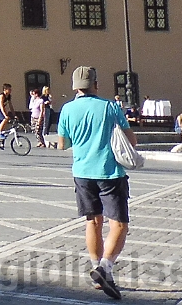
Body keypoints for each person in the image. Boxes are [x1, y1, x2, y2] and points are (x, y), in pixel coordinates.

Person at [55, 66, 135, 301]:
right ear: (96, 84)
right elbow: (131, 139)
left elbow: (62, 144)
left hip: (82, 173)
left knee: (93, 221)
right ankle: (105, 268)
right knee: (119, 224)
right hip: (109, 172)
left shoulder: (67, 109)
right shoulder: (110, 107)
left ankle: (97, 268)